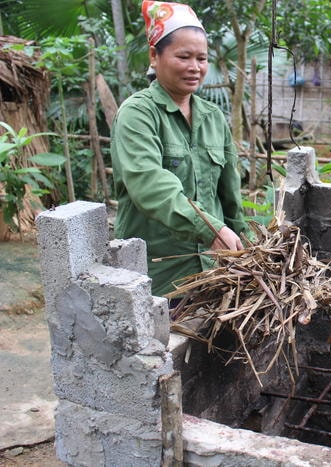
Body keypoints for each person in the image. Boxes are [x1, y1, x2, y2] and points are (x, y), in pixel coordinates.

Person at [111, 1, 247, 298]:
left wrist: (247, 248)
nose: (195, 68)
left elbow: (229, 196)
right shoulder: (138, 114)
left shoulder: (213, 118)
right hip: (155, 279)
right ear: (154, 56)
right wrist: (211, 229)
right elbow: (149, 183)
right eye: (184, 56)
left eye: (202, 58)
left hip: (213, 273)